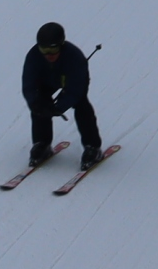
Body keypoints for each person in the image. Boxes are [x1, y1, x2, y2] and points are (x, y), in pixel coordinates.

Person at [22, 22, 102, 170]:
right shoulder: (33, 56)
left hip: (71, 81)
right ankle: (42, 143)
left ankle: (92, 146)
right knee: (39, 105)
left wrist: (59, 107)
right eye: (44, 49)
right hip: (46, 82)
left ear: (61, 45)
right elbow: (29, 84)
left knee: (81, 104)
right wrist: (35, 103)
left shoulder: (75, 57)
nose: (49, 55)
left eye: (53, 49)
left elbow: (76, 90)